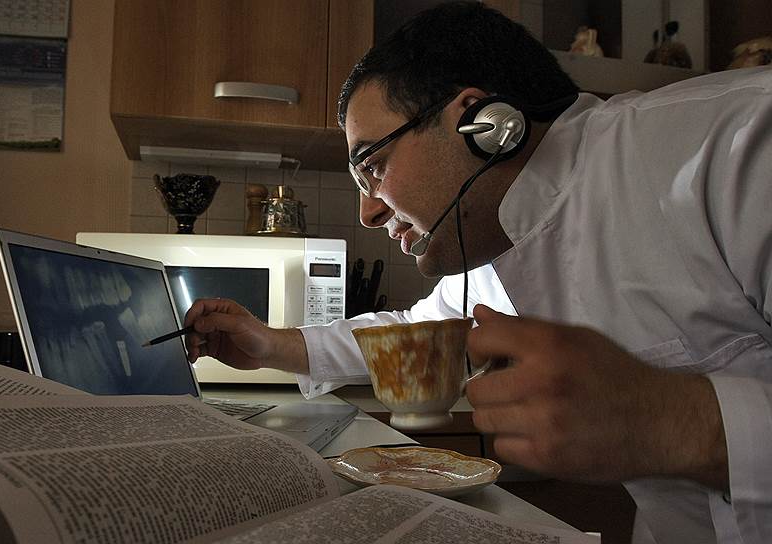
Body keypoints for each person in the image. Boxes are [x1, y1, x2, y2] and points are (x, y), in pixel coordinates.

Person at [183, 3, 772, 543]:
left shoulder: (738, 142)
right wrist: (269, 344)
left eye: (373, 166)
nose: (367, 212)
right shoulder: (494, 243)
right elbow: (408, 335)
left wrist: (666, 420)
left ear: (482, 124)